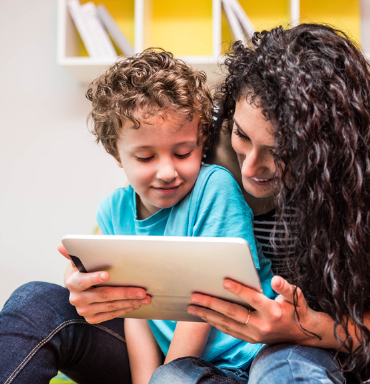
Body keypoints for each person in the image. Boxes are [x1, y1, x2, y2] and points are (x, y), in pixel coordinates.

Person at [0, 49, 273, 384]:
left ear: (201, 143)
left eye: (183, 152)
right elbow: (135, 311)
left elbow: (206, 304)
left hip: (238, 361)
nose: (167, 171)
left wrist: (165, 376)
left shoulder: (213, 188)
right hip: (166, 363)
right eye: (145, 157)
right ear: (117, 154)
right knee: (32, 299)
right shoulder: (113, 212)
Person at [182, 23, 370, 383]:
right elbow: (136, 226)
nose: (250, 167)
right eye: (242, 136)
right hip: (208, 344)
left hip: (301, 345)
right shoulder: (198, 144)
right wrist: (98, 274)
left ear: (329, 149)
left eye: (282, 153)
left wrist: (307, 328)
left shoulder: (358, 181)